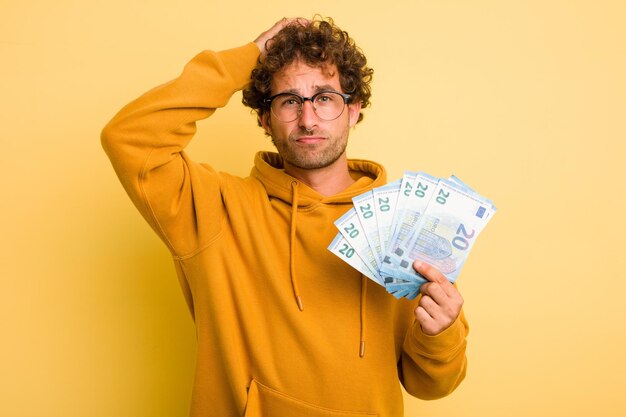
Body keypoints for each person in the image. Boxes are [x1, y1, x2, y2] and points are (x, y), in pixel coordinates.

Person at [101, 16, 468, 417]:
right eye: (289, 101)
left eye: (325, 97)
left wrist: (441, 333)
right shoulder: (213, 208)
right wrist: (247, 59)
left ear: (353, 109)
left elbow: (430, 386)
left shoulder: (403, 224)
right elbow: (130, 138)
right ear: (264, 118)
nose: (308, 119)